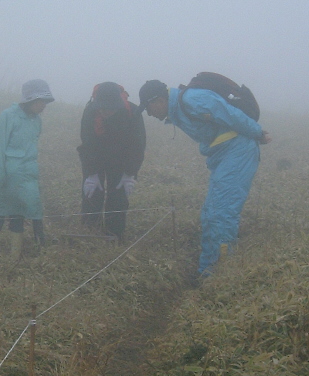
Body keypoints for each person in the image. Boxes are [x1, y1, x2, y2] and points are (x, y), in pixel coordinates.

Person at [137, 78, 271, 276]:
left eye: (148, 108)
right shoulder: (178, 109)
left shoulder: (192, 100)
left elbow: (230, 114)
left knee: (222, 213)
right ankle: (207, 271)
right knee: (210, 213)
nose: (149, 114)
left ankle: (220, 272)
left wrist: (258, 133)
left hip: (238, 151)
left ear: (158, 100)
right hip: (225, 155)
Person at [0, 79, 54, 258]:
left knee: (18, 216)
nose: (44, 105)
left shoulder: (36, 121)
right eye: (41, 101)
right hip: (5, 177)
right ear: (31, 99)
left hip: (26, 178)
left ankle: (14, 257)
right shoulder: (8, 116)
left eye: (45, 101)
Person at [77, 82, 146, 240]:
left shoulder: (132, 112)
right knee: (92, 194)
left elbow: (137, 146)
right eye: (102, 108)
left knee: (118, 197)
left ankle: (114, 235)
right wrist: (91, 173)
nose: (105, 112)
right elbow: (87, 144)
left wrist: (130, 173)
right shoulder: (90, 111)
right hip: (96, 158)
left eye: (110, 109)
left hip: (121, 161)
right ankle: (90, 234)